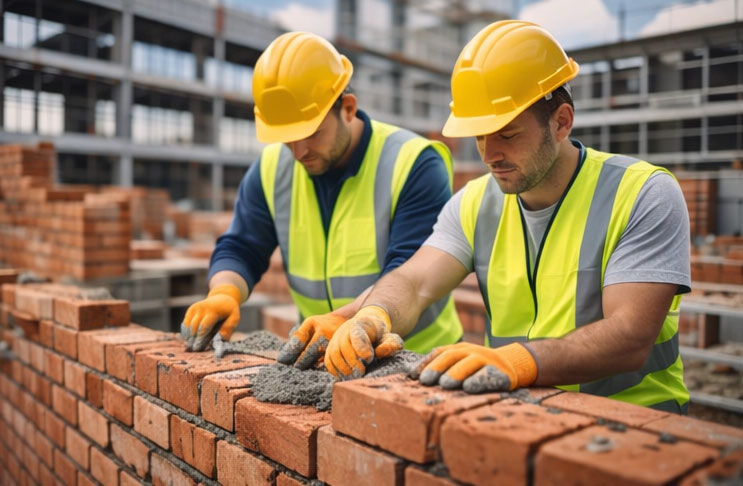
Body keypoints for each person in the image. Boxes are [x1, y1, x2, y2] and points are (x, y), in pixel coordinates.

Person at [327, 20, 690, 413]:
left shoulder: (642, 193)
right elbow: (414, 283)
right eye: (479, 136)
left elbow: (631, 336)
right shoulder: (475, 203)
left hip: (639, 426)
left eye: (506, 134)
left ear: (561, 122)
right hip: (521, 416)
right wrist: (373, 315)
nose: (488, 154)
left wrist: (519, 361)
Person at [180, 31, 463, 370]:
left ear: (347, 108)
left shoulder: (413, 162)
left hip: (418, 359)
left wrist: (342, 319)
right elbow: (242, 246)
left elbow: (407, 274)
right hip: (326, 358)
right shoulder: (272, 169)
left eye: (311, 133)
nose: (298, 152)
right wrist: (224, 292)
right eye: (287, 138)